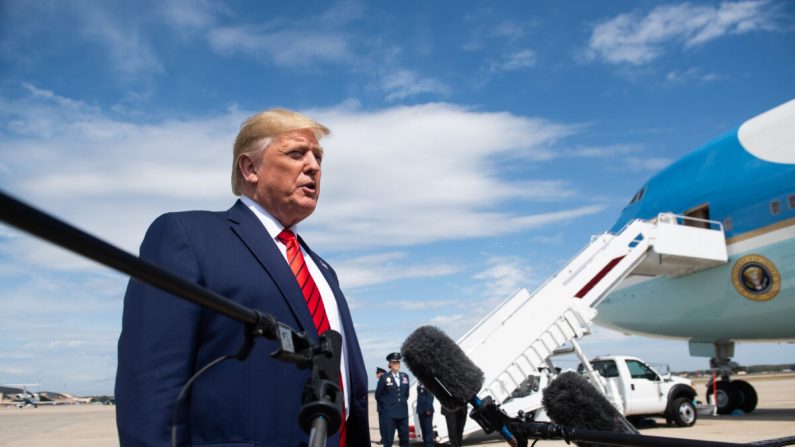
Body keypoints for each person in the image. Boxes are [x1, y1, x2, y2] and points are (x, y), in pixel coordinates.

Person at [115, 108, 369, 446]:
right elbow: (151, 385)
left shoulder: (321, 269)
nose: (313, 166)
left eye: (318, 157)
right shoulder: (188, 237)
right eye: (296, 153)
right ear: (250, 168)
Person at [375, 352, 410, 447]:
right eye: (394, 362)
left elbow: (406, 394)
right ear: (390, 364)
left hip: (403, 414)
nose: (397, 364)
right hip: (389, 415)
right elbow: (378, 395)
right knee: (388, 441)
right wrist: (386, 406)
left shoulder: (405, 376)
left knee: (405, 441)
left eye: (398, 362)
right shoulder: (384, 377)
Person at [416, 381, 435, 447]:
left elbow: (430, 396)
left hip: (427, 409)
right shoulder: (419, 381)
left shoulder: (428, 381)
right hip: (420, 409)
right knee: (423, 429)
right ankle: (426, 444)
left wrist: (428, 408)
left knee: (428, 430)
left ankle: (430, 445)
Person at [376, 367, 387, 444]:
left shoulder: (383, 380)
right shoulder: (383, 380)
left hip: (384, 407)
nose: (376, 375)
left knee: (384, 424)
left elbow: (379, 395)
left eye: (377, 373)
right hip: (383, 407)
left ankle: (384, 439)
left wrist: (384, 403)